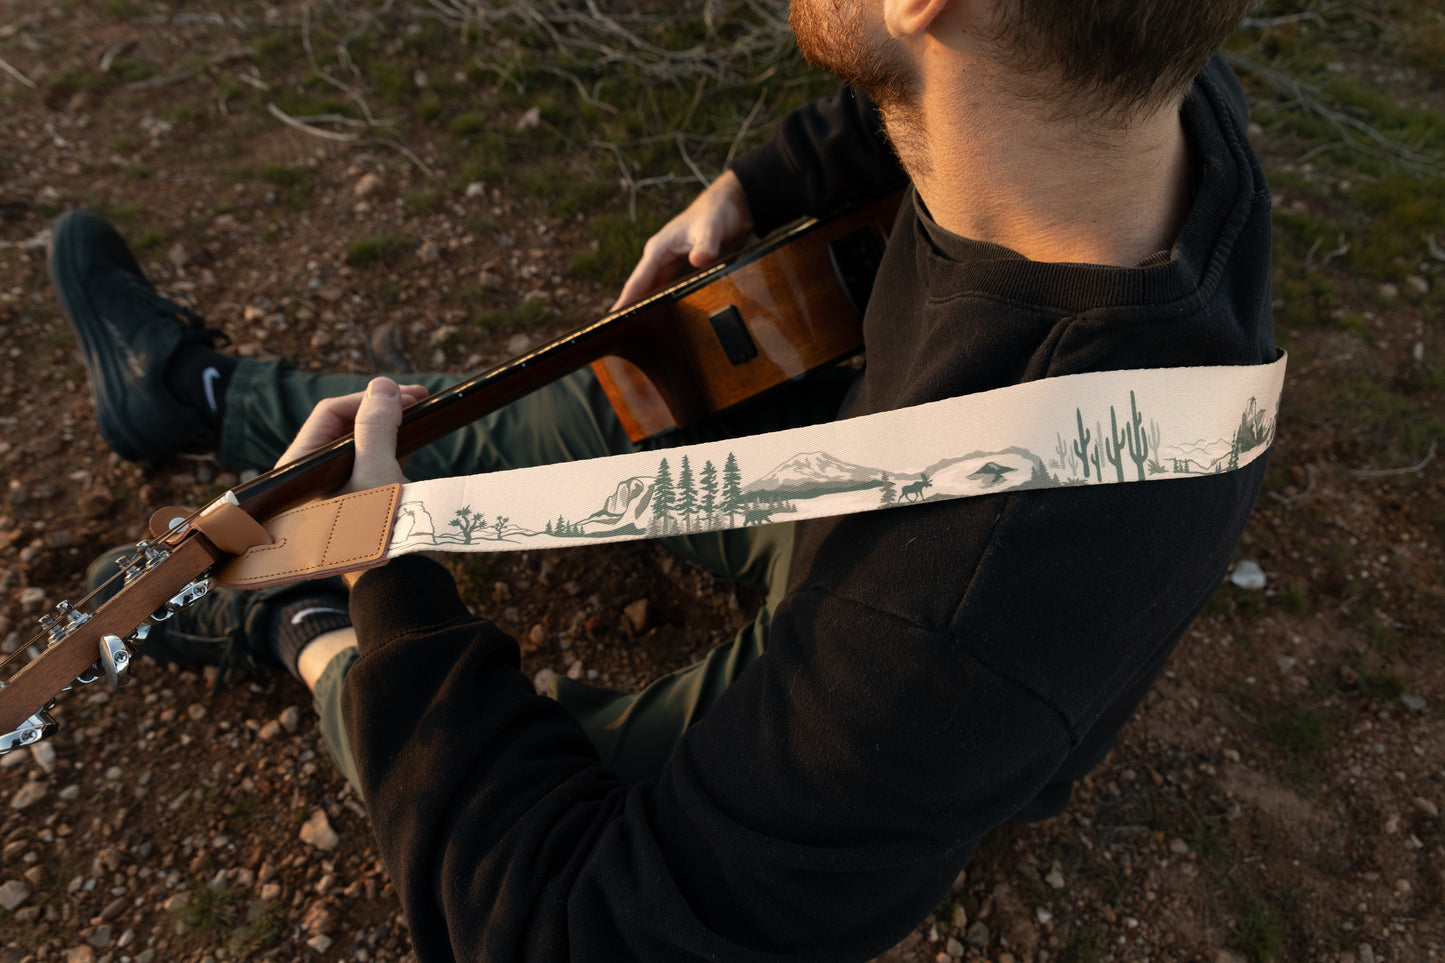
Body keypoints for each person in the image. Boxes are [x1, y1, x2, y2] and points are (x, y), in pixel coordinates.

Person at [56, 0, 1276, 957]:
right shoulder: (1127, 96)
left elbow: (554, 926)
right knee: (609, 404)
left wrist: (376, 590)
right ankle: (204, 401)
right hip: (873, 486)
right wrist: (756, 189)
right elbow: (939, 95)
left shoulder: (950, 625)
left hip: (904, 628)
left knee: (509, 779)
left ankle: (292, 616)